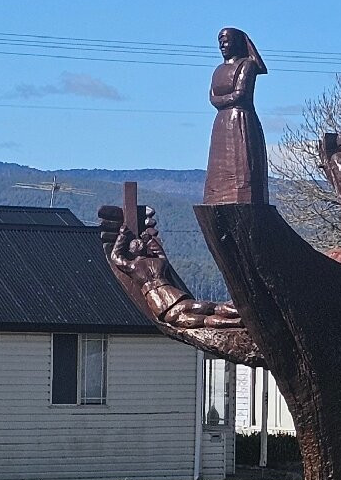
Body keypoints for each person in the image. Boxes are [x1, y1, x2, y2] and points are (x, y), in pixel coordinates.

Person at [110, 227, 243, 329]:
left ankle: (236, 322)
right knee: (211, 308)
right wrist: (150, 240)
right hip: (174, 296)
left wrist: (122, 236)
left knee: (202, 321)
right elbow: (160, 253)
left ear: (131, 252)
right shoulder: (158, 262)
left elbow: (115, 256)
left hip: (160, 306)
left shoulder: (132, 267)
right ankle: (239, 314)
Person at [203, 27, 269, 205]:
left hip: (240, 120)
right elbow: (211, 97)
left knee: (241, 165)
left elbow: (240, 94)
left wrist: (221, 100)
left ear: (237, 42)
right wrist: (223, 100)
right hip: (222, 123)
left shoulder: (247, 65)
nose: (222, 45)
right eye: (220, 41)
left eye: (226, 40)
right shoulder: (218, 70)